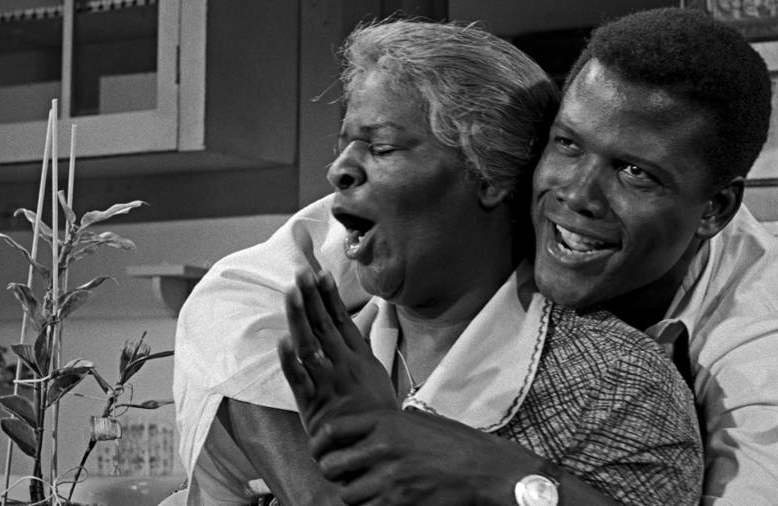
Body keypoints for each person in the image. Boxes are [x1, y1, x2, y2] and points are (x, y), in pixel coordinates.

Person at [272, 8, 778, 505]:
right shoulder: (426, 217)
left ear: (715, 209)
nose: (575, 195)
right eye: (568, 144)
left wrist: (502, 474)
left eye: (635, 172)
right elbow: (242, 293)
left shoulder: (764, 353)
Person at [174, 18, 703, 505]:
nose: (338, 171)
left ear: (488, 176)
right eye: (344, 146)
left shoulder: (617, 385)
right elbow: (227, 304)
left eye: (381, 148)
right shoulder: (307, 351)